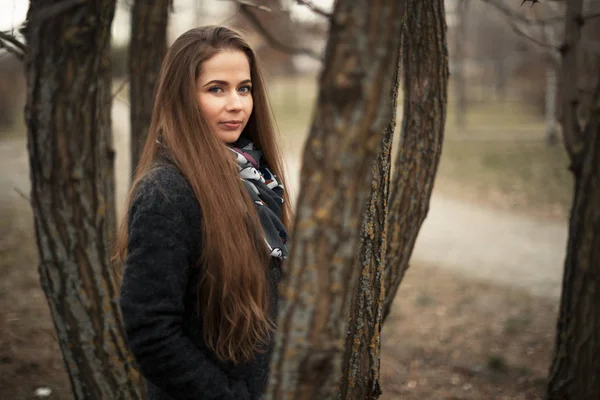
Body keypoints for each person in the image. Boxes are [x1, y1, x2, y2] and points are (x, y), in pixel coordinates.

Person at [114, 26, 291, 400]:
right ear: (183, 98)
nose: (237, 104)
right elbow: (151, 331)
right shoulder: (167, 192)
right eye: (216, 89)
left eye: (244, 88)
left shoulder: (257, 180)